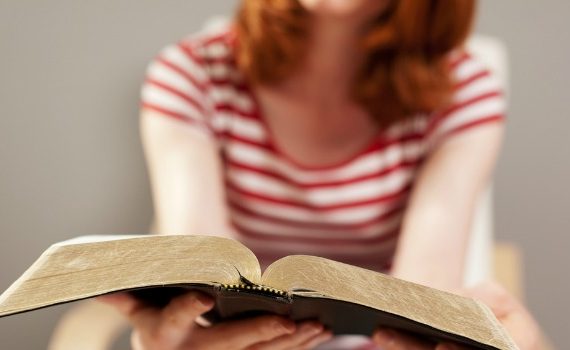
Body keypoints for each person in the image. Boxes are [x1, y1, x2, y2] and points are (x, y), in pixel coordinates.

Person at [110, 0, 507, 348]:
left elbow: (419, 308)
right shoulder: (191, 77)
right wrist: (185, 336)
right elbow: (202, 276)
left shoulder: (461, 94)